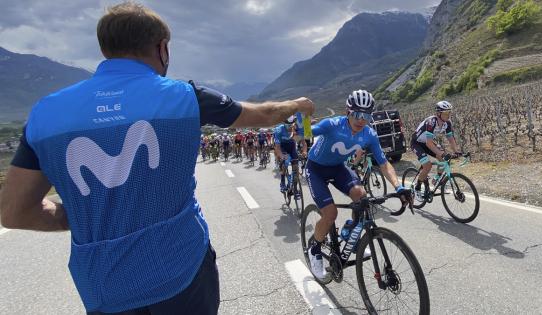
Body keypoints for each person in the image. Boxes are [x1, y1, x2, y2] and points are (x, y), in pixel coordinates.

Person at [0, 3, 314, 315]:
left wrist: (87, 214)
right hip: (181, 268)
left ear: (105, 48)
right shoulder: (183, 96)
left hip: (102, 284)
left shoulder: (46, 113)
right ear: (162, 48)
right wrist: (297, 104)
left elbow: (15, 214)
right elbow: (265, 114)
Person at [305, 90, 410, 280]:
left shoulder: (369, 134)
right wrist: (302, 117)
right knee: (330, 214)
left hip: (337, 168)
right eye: (357, 114)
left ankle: (350, 231)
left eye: (367, 116)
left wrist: (399, 187)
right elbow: (303, 134)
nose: (361, 120)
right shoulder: (332, 124)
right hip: (316, 169)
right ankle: (314, 249)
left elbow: (384, 163)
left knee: (361, 195)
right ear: (348, 112)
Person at [409, 100, 461, 201]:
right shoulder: (431, 122)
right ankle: (417, 188)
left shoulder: (447, 123)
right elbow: (428, 143)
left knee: (444, 160)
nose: (448, 115)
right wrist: (442, 153)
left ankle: (437, 180)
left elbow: (451, 139)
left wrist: (457, 151)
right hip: (417, 143)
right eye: (446, 113)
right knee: (427, 165)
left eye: (449, 112)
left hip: (428, 142)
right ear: (438, 113)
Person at [274, 115, 307, 193]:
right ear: (284, 124)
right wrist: (281, 156)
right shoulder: (279, 130)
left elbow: (304, 143)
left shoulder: (296, 129)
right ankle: (282, 183)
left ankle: (294, 188)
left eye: (291, 124)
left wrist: (304, 152)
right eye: (287, 125)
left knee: (295, 168)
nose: (289, 127)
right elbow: (277, 148)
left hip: (292, 147)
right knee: (284, 164)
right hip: (282, 148)